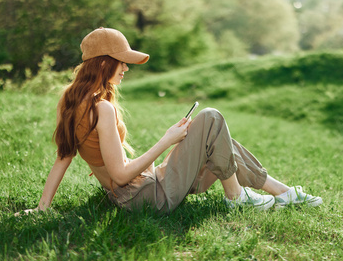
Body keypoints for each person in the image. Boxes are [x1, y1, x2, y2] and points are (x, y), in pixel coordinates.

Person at [16, 27, 322, 216]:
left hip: (145, 187)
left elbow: (63, 158)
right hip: (144, 198)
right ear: (104, 62)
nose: (125, 68)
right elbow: (120, 175)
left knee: (215, 137)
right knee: (211, 118)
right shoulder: (102, 109)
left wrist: (43, 208)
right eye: (121, 61)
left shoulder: (70, 100)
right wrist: (166, 141)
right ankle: (238, 197)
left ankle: (279, 192)